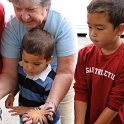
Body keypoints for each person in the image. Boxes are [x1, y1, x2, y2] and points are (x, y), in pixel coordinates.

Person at [0, 0, 78, 123]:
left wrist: (50, 105)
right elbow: (9, 74)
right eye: (18, 8)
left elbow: (65, 72)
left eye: (31, 9)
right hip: (28, 84)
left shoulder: (62, 23)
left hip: (59, 82)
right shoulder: (12, 27)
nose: (24, 17)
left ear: (46, 5)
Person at [74, 0, 124, 124]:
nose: (92, 34)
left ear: (119, 29)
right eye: (90, 26)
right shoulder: (84, 54)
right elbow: (81, 91)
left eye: (100, 28)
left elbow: (116, 103)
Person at [5, 28, 60, 124]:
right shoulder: (21, 68)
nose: (29, 68)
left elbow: (49, 110)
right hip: (26, 117)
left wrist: (26, 109)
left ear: (48, 60)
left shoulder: (50, 82)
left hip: (45, 120)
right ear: (22, 54)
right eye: (26, 61)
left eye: (36, 64)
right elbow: (19, 83)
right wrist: (12, 94)